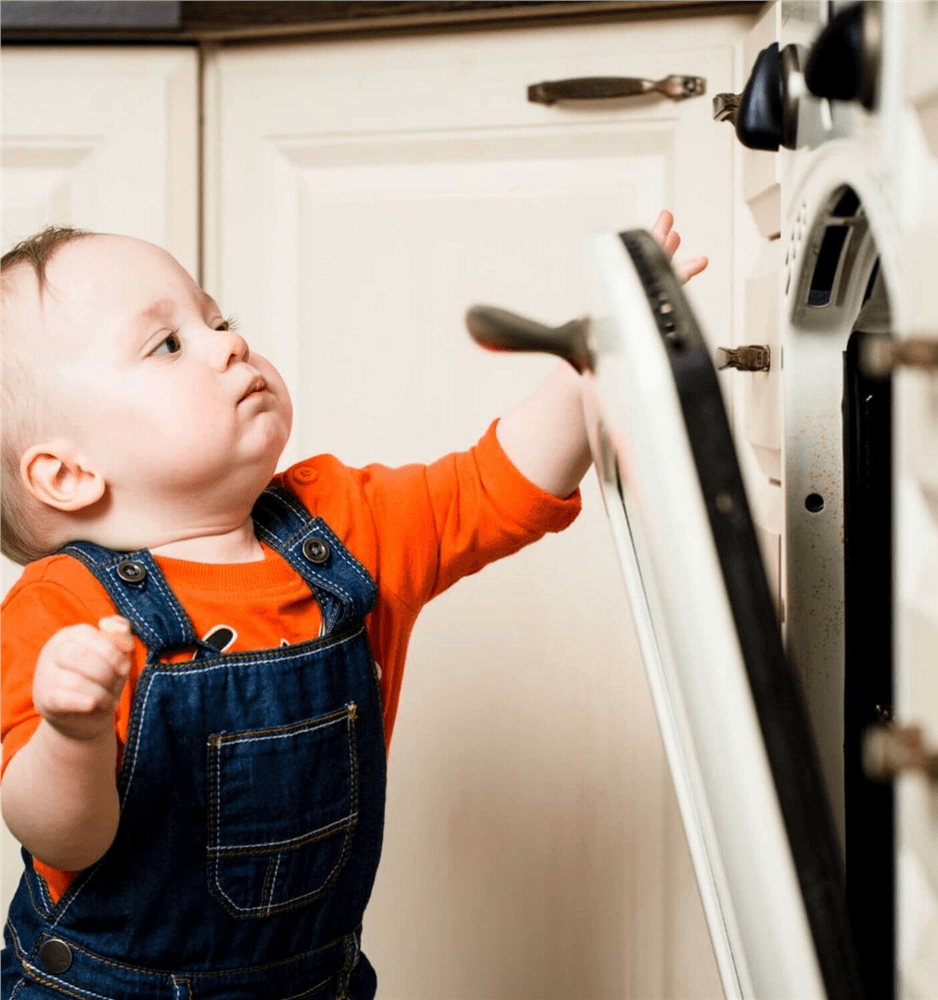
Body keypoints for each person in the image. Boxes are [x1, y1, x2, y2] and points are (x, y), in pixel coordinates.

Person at [0, 211, 707, 998]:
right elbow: (61, 835)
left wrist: (592, 366)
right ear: (66, 474)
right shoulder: (62, 610)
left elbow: (492, 486)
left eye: (218, 318)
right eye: (167, 344)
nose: (228, 343)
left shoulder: (341, 528)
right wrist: (73, 733)